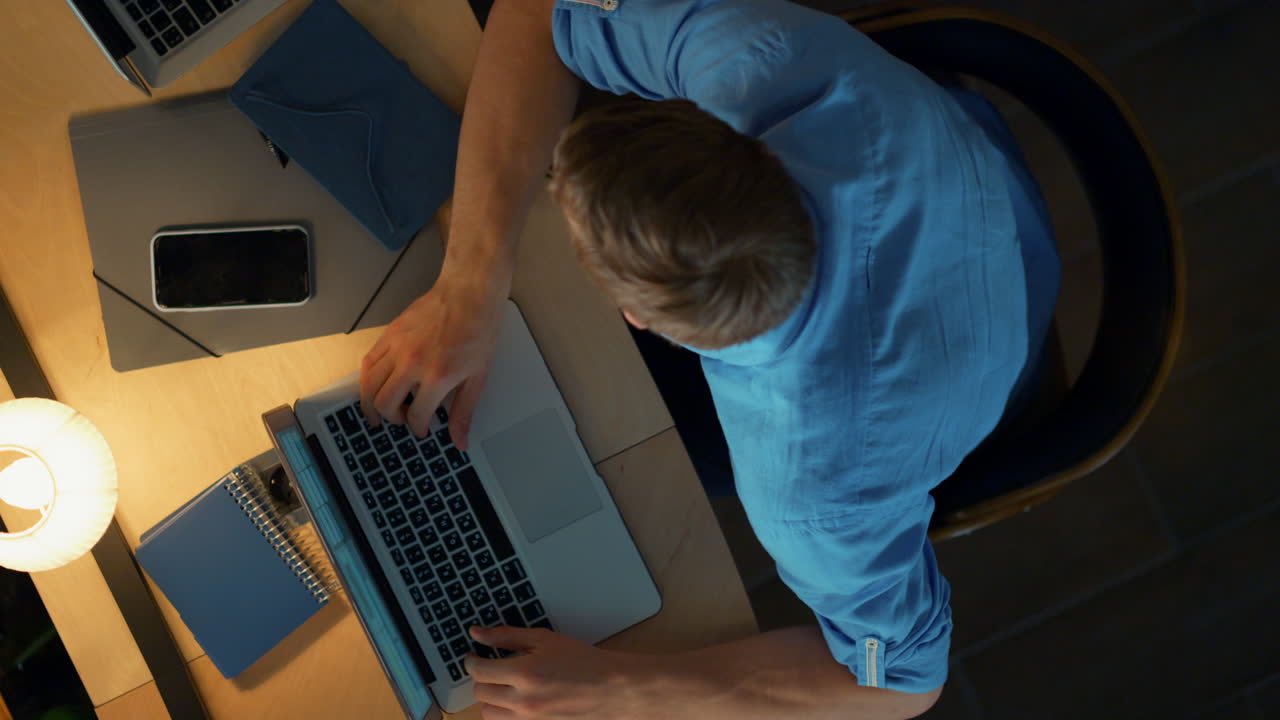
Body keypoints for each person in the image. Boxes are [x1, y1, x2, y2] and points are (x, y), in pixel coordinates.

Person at [358, 0, 1061, 718]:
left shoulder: (816, 496)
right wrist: (471, 283)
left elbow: (903, 683)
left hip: (976, 367)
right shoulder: (764, 58)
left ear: (636, 318)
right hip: (981, 199)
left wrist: (627, 686)